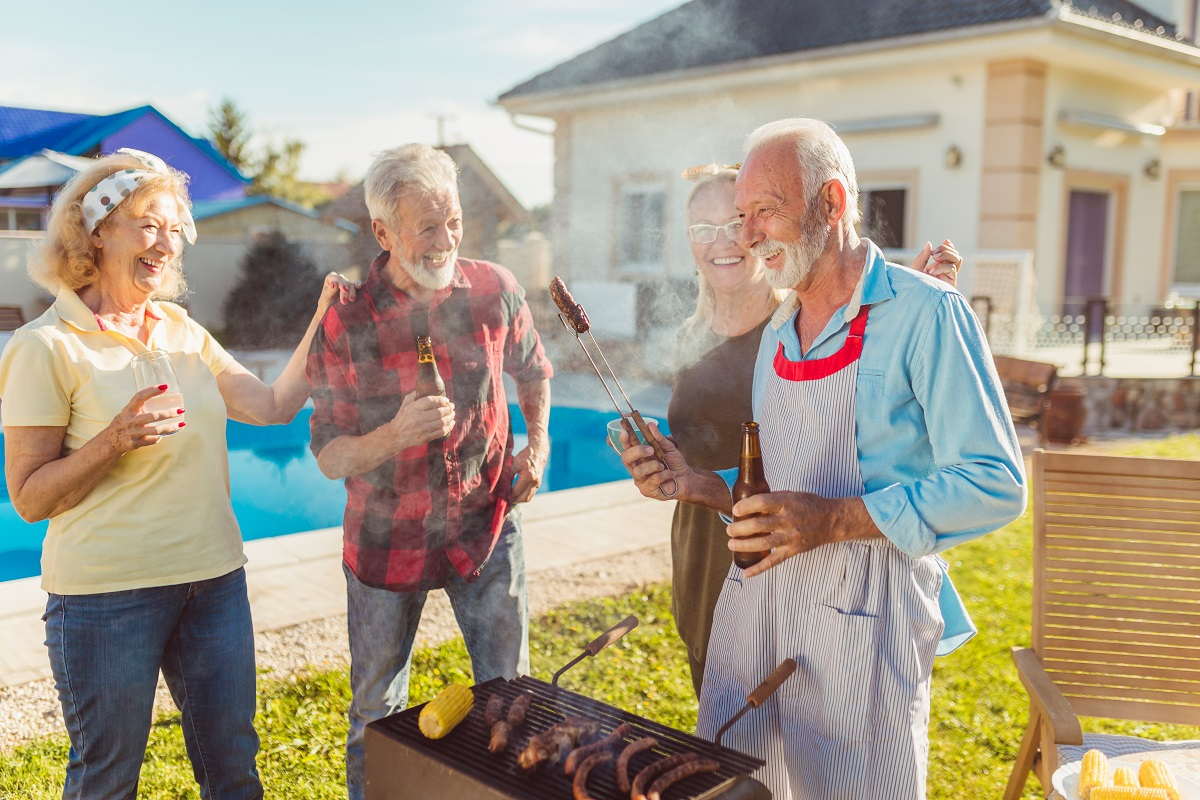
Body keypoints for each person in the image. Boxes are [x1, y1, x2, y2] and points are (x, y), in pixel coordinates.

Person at [621, 120, 1025, 799]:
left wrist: (836, 520)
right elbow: (783, 483)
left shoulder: (927, 313)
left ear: (831, 203)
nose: (747, 235)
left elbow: (996, 482)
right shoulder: (780, 331)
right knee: (743, 787)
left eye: (764, 211)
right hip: (761, 617)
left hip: (865, 628)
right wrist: (703, 485)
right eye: (741, 215)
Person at [0, 149, 358, 800]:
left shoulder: (180, 329)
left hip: (213, 584)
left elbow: (272, 406)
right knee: (107, 779)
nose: (166, 244)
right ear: (96, 231)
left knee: (234, 771)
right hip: (106, 599)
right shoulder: (46, 346)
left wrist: (326, 319)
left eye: (174, 229)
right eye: (148, 225)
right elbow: (27, 498)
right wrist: (113, 441)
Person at [304, 143, 552, 800]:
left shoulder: (496, 289)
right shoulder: (346, 319)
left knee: (512, 698)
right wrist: (396, 434)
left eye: (454, 221)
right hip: (386, 544)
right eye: (427, 227)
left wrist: (538, 447)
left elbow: (534, 371)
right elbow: (329, 456)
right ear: (383, 231)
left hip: (486, 527)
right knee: (375, 714)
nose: (445, 241)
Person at [669, 163, 963, 697]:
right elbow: (703, 442)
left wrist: (905, 318)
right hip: (700, 553)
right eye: (702, 228)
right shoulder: (688, 337)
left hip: (786, 558)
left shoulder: (803, 331)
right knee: (717, 721)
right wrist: (663, 460)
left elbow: (874, 428)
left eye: (736, 221)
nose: (725, 240)